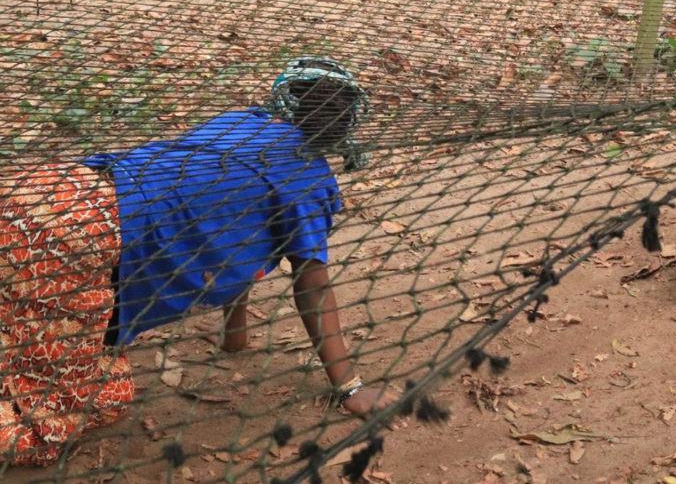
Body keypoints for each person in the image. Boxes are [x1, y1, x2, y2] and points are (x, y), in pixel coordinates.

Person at [0, 57, 392, 466]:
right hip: (74, 239)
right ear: (347, 122)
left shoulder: (238, 122)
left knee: (109, 394)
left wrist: (233, 336)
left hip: (50, 189)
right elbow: (312, 286)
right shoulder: (310, 179)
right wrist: (349, 387)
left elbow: (235, 234)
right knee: (47, 426)